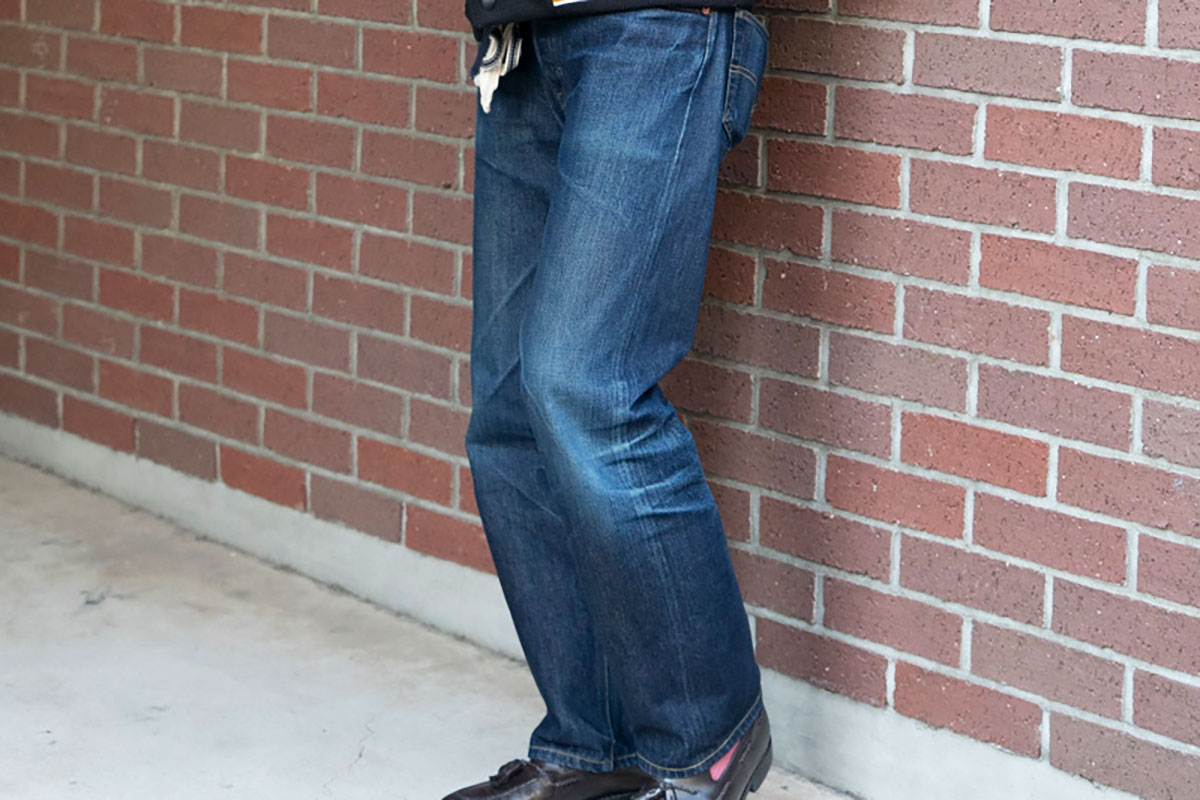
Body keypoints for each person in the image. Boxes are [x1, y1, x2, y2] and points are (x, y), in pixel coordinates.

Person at [447, 1, 771, 798]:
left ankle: (708, 744)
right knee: (511, 417)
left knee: (589, 391)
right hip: (520, 38)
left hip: (652, 28)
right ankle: (593, 747)